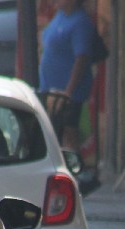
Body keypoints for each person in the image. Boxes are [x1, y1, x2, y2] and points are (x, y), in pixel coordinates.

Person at [38, 0, 97, 152]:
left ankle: (76, 168)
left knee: (69, 135)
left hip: (68, 95)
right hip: (51, 91)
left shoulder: (80, 22)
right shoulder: (60, 16)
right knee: (53, 135)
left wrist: (69, 92)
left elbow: (81, 58)